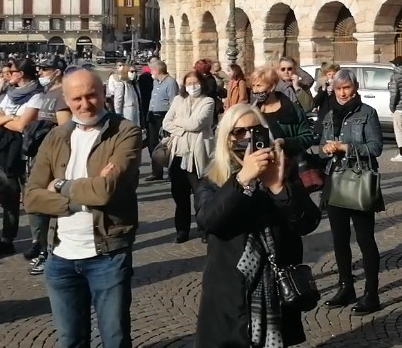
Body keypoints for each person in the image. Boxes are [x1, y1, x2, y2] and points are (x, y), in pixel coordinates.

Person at [24, 69, 142, 348]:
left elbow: (105, 192)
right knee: (70, 340)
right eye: (77, 98)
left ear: (104, 94)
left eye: (91, 95)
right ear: (66, 99)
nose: (85, 104)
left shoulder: (125, 132)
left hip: (107, 254)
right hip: (60, 255)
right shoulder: (56, 137)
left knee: (115, 338)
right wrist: (84, 194)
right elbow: (31, 198)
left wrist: (61, 185)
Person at [195, 104, 322, 347]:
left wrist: (277, 187)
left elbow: (307, 222)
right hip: (229, 289)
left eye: (255, 131)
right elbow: (208, 221)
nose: (248, 138)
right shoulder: (213, 178)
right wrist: (241, 179)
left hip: (275, 288)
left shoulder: (282, 171)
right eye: (239, 132)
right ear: (226, 138)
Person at [318, 69, 384, 315]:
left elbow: (376, 147)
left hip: (358, 181)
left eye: (346, 88)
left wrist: (346, 147)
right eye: (338, 89)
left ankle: (372, 293)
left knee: (366, 240)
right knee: (339, 239)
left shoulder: (367, 113)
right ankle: (346, 287)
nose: (343, 93)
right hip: (335, 180)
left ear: (354, 87)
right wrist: (326, 148)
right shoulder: (329, 115)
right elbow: (321, 143)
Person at [0, 58, 44, 257]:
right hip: (5, 151)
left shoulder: (36, 95)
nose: (8, 74)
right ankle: (7, 239)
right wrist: (11, 117)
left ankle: (39, 241)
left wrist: (6, 120)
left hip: (27, 151)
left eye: (12, 71)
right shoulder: (10, 94)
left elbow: (23, 126)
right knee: (8, 196)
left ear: (21, 74)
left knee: (32, 197)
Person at [23, 58, 73, 275]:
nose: (41, 72)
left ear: (58, 72)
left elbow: (64, 131)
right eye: (40, 68)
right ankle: (40, 244)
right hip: (39, 155)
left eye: (45, 69)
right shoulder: (47, 92)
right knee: (34, 202)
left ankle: (47, 250)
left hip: (54, 158)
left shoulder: (62, 96)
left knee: (46, 204)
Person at [161, 71, 215, 243]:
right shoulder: (178, 100)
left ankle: (205, 229)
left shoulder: (208, 101)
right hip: (178, 153)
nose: (192, 86)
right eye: (189, 83)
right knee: (180, 195)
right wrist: (184, 128)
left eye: (195, 82)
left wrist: (179, 123)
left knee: (202, 196)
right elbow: (166, 122)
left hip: (198, 154)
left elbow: (197, 123)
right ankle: (182, 230)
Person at [250, 66, 313, 156]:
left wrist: (285, 142)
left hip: (290, 164)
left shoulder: (293, 109)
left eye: (259, 86)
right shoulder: (252, 112)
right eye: (253, 86)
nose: (255, 90)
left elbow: (307, 137)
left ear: (272, 87)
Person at [146, 61, 179, 181]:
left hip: (164, 116)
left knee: (167, 145)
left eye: (152, 70)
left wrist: (171, 120)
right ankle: (156, 172)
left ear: (157, 70)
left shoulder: (170, 82)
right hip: (153, 116)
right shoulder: (156, 82)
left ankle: (172, 172)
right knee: (153, 144)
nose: (151, 73)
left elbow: (173, 101)